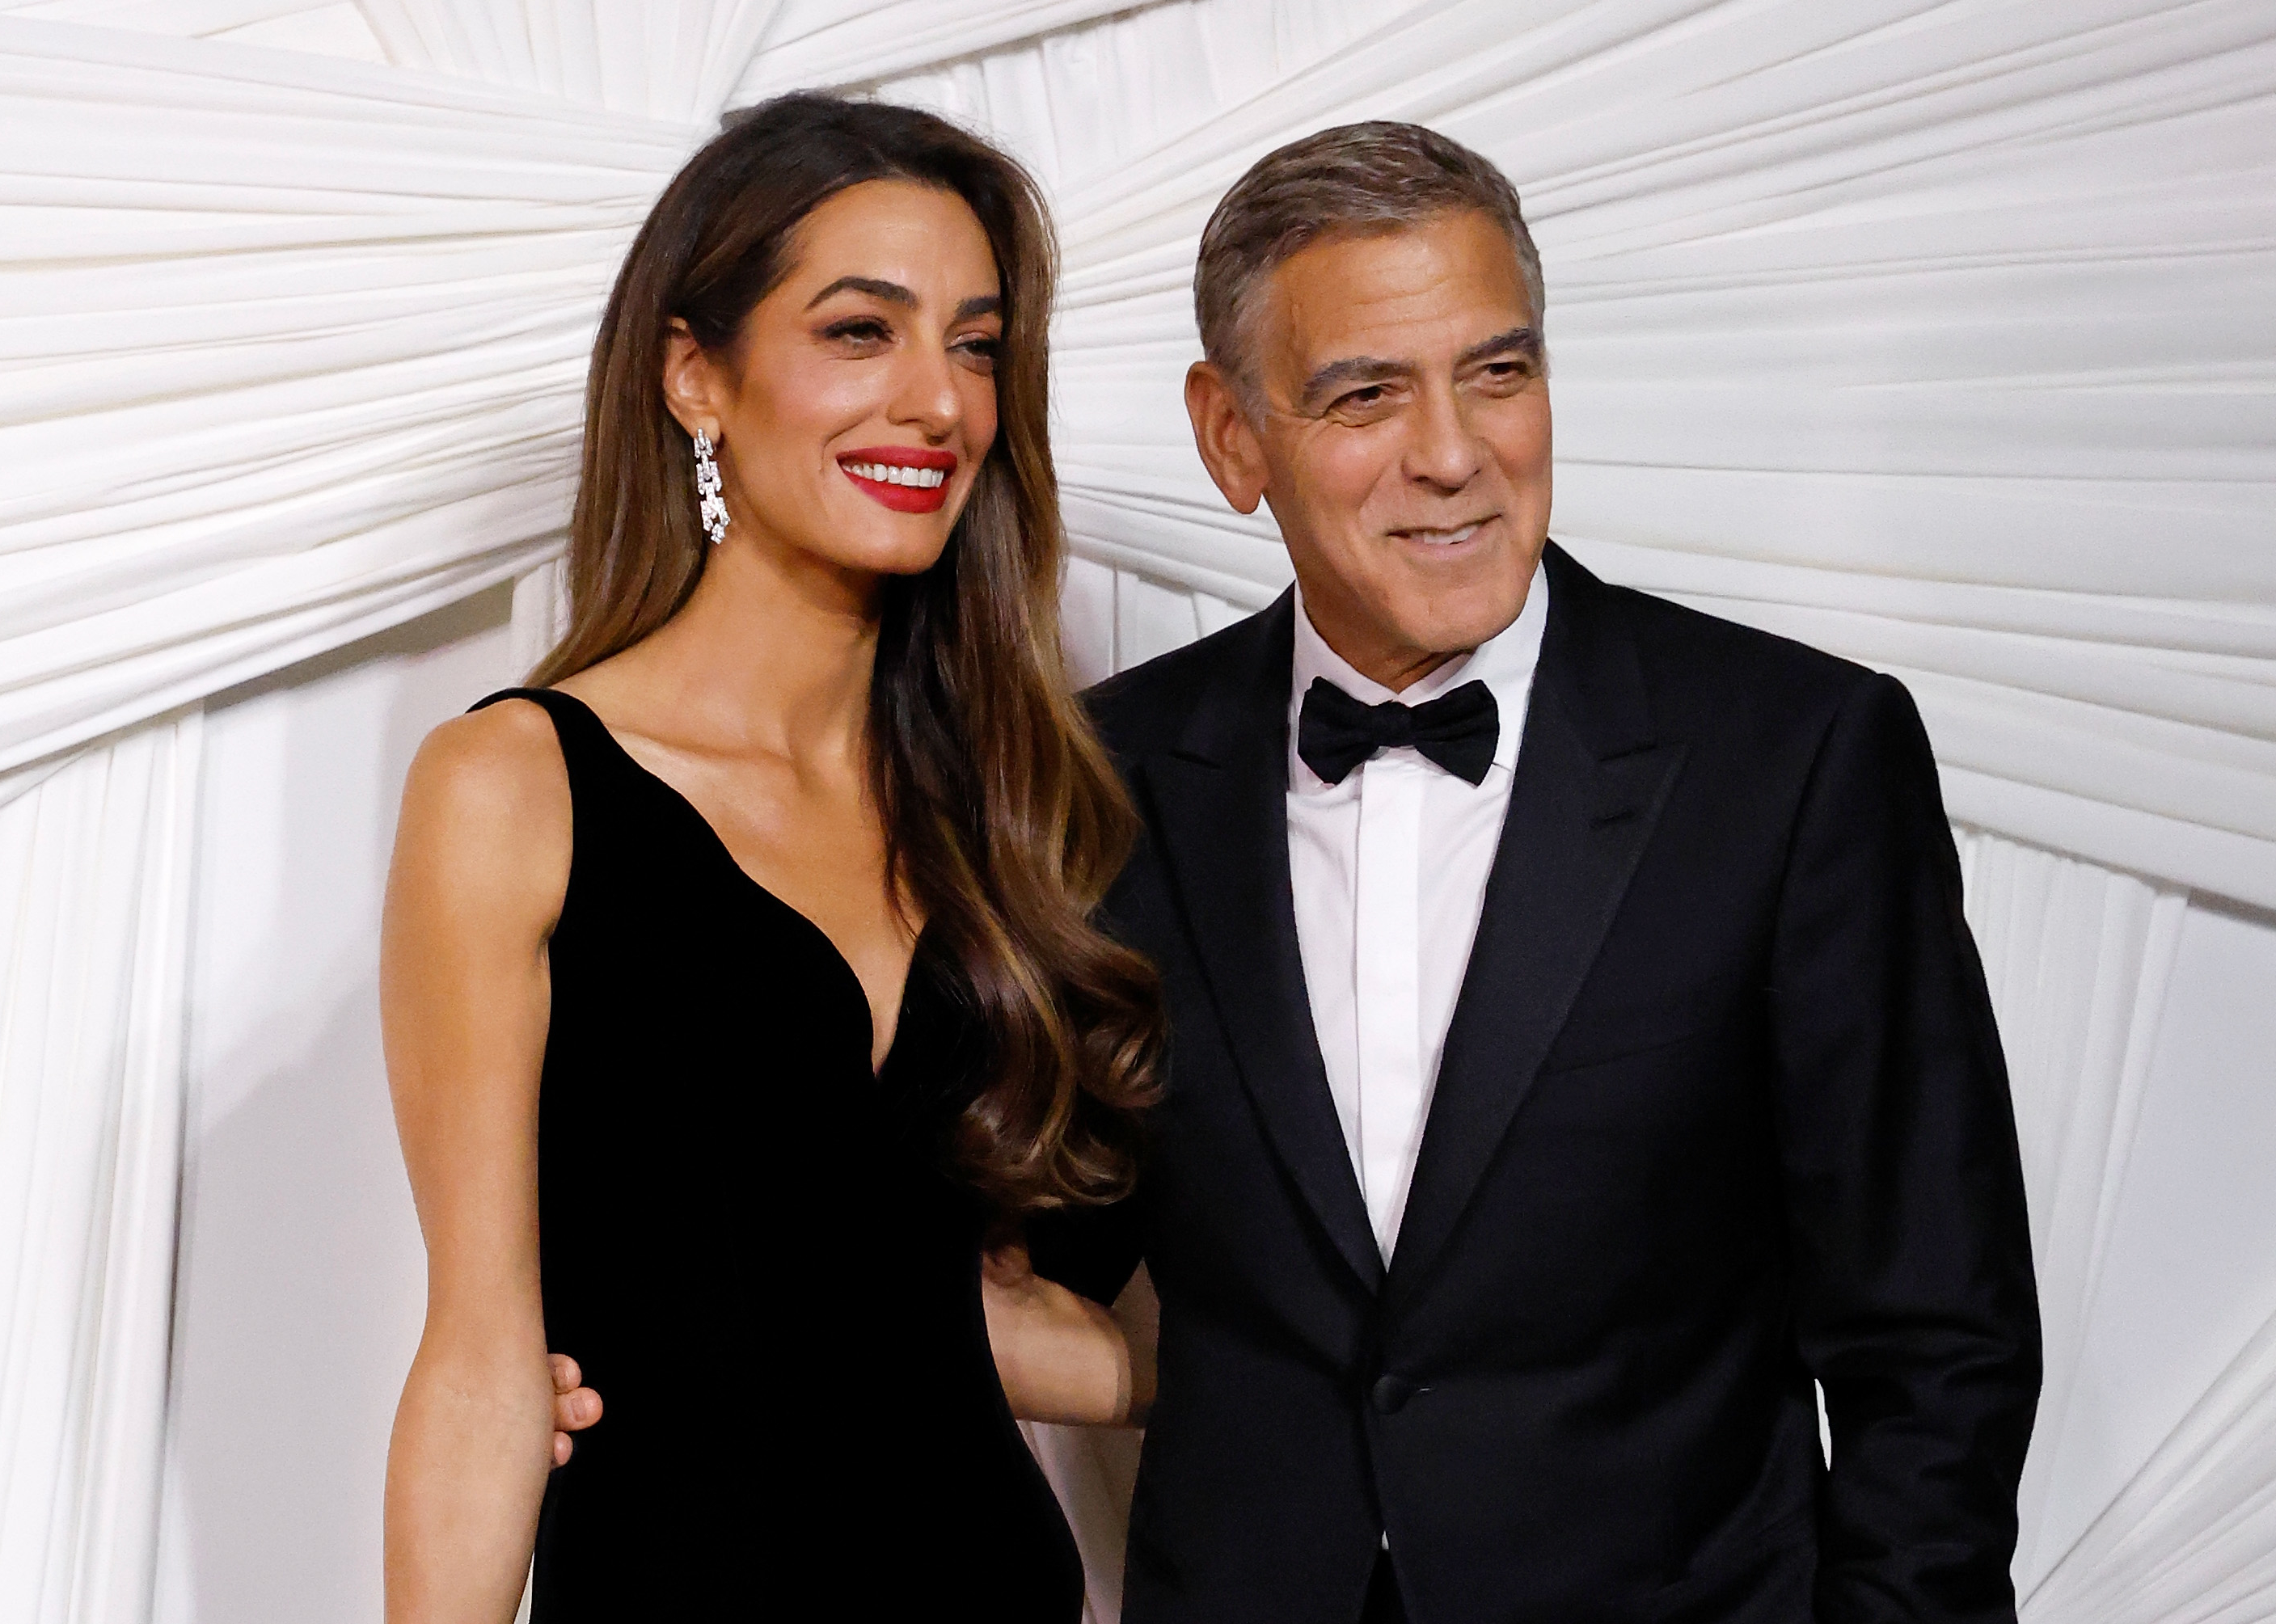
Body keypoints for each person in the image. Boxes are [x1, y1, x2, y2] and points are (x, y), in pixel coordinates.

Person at [558, 120, 2043, 1623]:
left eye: (1497, 371)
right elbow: (995, 1253)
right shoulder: (1099, 782)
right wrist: (616, 1335)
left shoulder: (1791, 758)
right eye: (1364, 395)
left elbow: (1937, 1344)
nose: (1453, 452)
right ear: (1231, 439)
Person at [379, 94, 1160, 1623]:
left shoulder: (1016, 811)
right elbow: (482, 1357)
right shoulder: (513, 789)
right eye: (861, 331)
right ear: (695, 376)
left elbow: (954, 1304)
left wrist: (1386, 1376)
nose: (937, 401)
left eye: (976, 343)